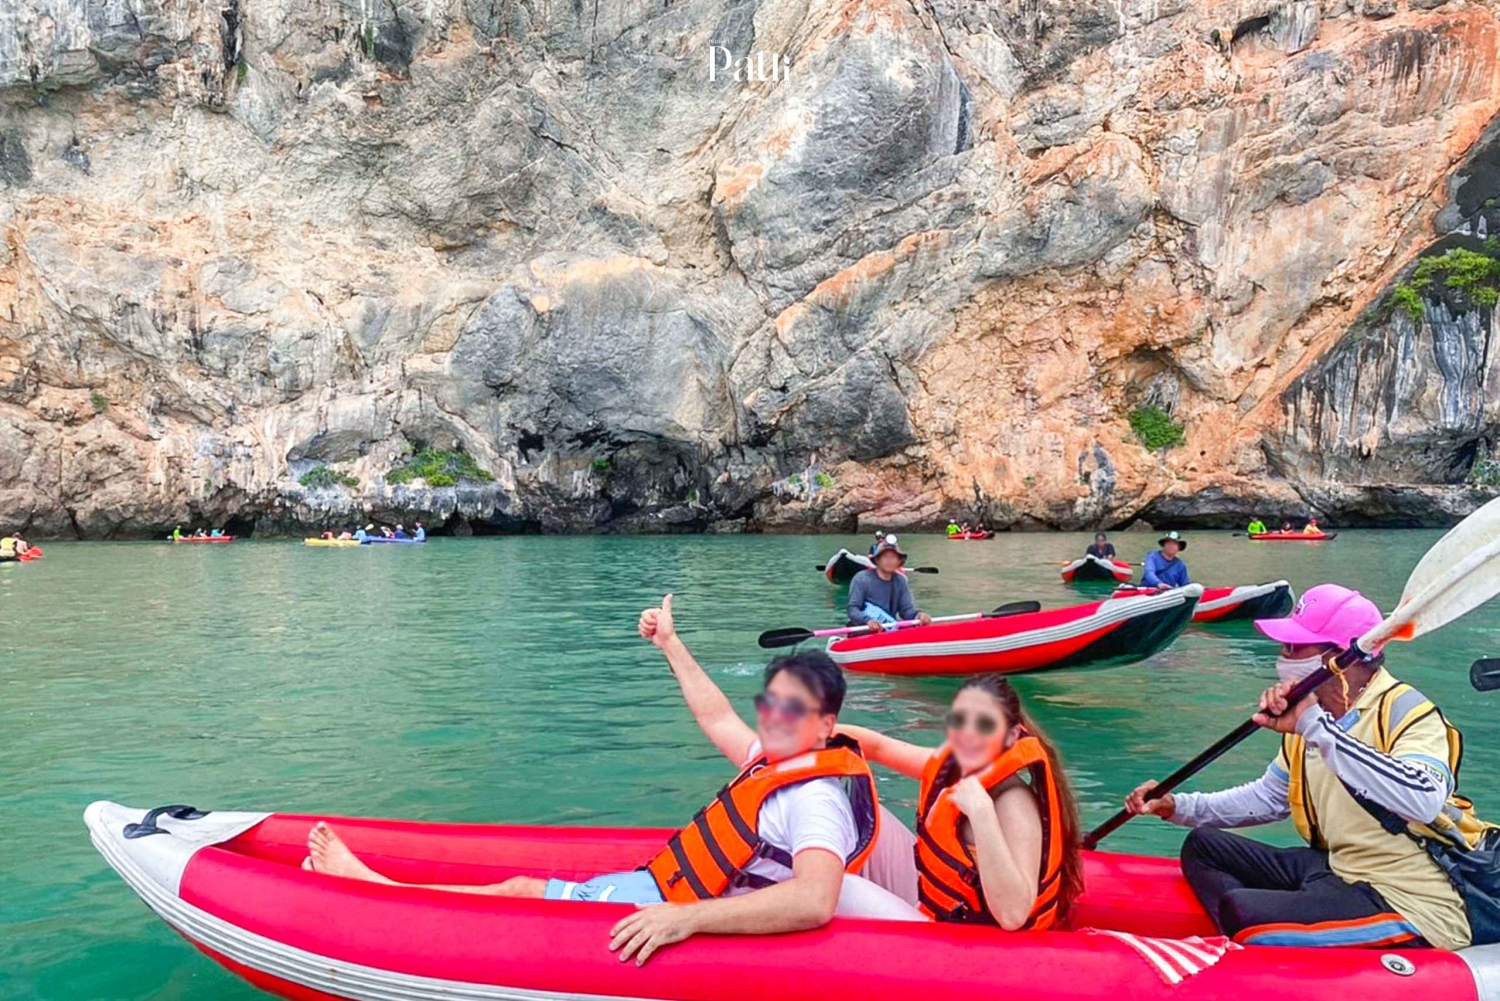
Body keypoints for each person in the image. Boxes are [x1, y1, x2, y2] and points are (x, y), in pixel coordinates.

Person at [303, 596, 915, 964]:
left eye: (794, 708)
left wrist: (688, 920)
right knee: (525, 885)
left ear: (826, 723)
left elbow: (814, 900)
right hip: (663, 890)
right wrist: (670, 645)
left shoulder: (815, 801)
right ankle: (385, 888)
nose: (775, 716)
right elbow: (716, 716)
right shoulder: (776, 758)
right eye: (772, 702)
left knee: (520, 891)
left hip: (680, 915)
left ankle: (373, 891)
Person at [1123, 584, 1478, 950]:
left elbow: (1423, 799)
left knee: (1241, 908)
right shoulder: (1313, 714)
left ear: (1343, 656)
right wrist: (1177, 807)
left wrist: (1316, 728)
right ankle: (1259, 938)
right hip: (1338, 868)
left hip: (1411, 899)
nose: (1283, 656)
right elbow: (1268, 798)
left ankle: (1254, 941)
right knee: (1203, 846)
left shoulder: (1408, 712)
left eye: (1296, 647)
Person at [840, 674, 1085, 930]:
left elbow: (1013, 915)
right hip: (935, 907)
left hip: (967, 941)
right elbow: (879, 747)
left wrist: (982, 813)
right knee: (853, 816)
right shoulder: (956, 767)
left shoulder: (1015, 804)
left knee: (845, 888)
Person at [847, 537, 932, 630]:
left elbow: (906, 611)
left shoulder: (900, 581)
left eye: (893, 557)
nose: (889, 560)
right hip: (864, 629)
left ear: (899, 561)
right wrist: (868, 621)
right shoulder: (861, 578)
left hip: (887, 629)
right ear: (877, 560)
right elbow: (853, 609)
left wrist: (918, 615)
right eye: (885, 556)